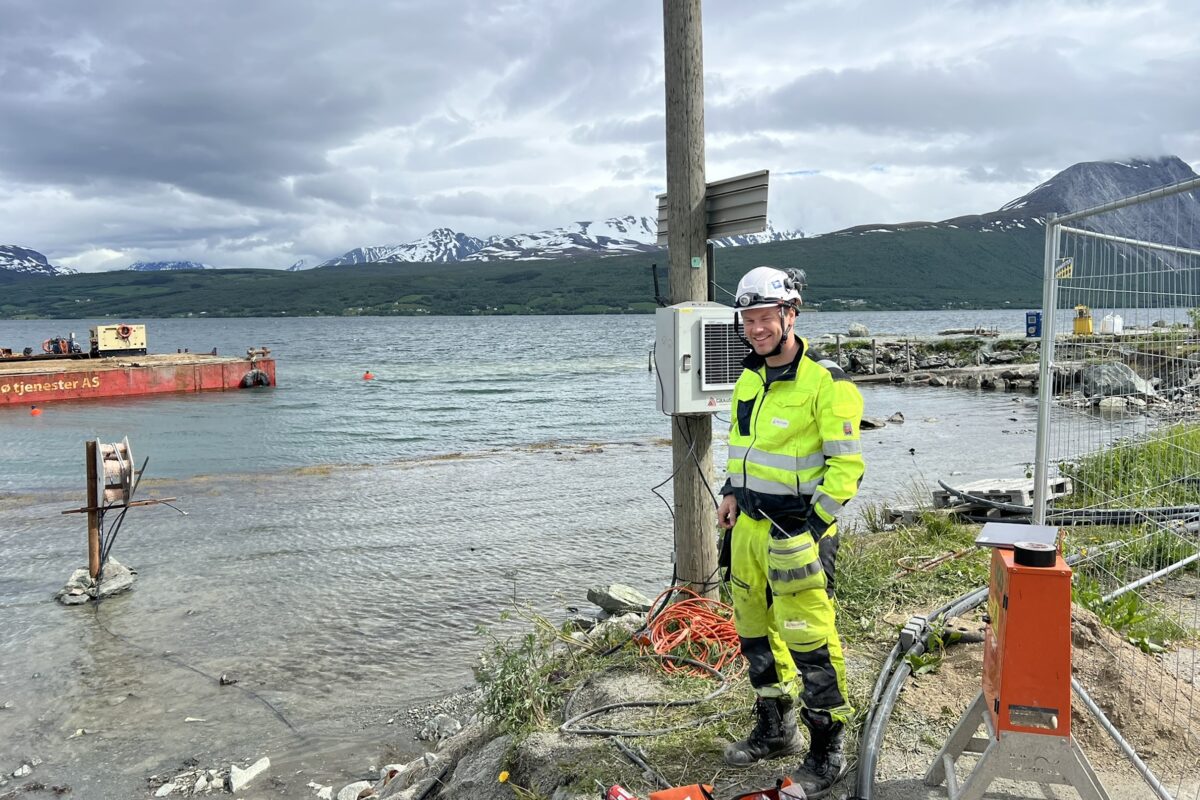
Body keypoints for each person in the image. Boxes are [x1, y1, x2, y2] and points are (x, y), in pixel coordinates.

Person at [717, 265, 865, 797]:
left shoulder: (827, 381)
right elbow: (742, 445)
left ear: (790, 314)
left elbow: (847, 468)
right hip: (749, 528)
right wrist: (730, 492)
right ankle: (775, 728)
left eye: (765, 317)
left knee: (810, 639)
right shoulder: (749, 376)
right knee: (754, 630)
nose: (756, 328)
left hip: (799, 533)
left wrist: (814, 527)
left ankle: (827, 749)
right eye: (748, 319)